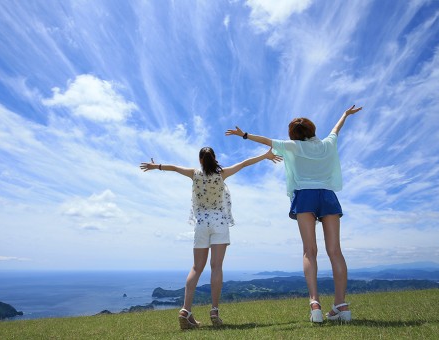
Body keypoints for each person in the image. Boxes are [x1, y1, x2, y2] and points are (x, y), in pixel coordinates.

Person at [226, 105, 362, 323]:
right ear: (312, 129)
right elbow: (337, 129)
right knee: (335, 251)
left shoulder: (293, 147)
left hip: (305, 197)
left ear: (294, 135)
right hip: (327, 196)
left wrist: (244, 135)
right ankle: (341, 305)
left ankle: (315, 304)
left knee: (309, 251)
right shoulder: (327, 144)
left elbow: (267, 141)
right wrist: (345, 114)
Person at [140, 147, 282, 329]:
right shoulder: (221, 174)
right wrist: (266, 155)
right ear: (214, 158)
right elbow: (245, 163)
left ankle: (185, 310)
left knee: (196, 268)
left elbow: (174, 168)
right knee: (216, 267)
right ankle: (214, 311)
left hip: (201, 224)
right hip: (219, 223)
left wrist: (156, 166)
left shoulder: (194, 174)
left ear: (200, 160)